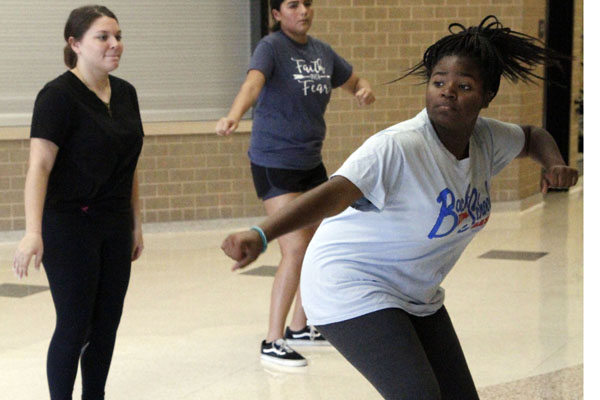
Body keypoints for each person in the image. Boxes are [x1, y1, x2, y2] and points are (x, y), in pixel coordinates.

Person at [221, 15, 579, 399]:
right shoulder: (398, 146)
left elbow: (532, 136)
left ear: (487, 95)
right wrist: (262, 233)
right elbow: (332, 194)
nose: (447, 92)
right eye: (439, 82)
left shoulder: (487, 139)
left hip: (415, 293)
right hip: (349, 283)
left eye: (464, 86)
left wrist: (554, 163)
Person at [216, 0, 375, 367]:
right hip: (275, 163)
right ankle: (272, 340)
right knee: (296, 248)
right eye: (292, 5)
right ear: (276, 14)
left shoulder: (322, 52)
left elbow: (353, 81)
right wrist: (234, 115)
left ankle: (299, 326)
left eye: (307, 3)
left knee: (319, 242)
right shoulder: (271, 47)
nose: (303, 10)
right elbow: (253, 84)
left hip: (310, 162)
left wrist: (364, 90)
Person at [12, 5, 144, 399]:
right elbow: (39, 167)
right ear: (75, 44)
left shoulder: (125, 93)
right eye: (103, 37)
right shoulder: (57, 97)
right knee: (75, 323)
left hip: (115, 223)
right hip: (69, 224)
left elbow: (131, 164)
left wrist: (137, 223)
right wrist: (32, 232)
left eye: (118, 36)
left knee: (106, 324)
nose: (115, 44)